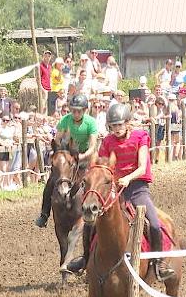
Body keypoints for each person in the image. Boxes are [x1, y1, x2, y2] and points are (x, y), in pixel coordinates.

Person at [68, 104, 175, 280]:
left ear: (127, 123)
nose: (116, 129)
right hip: (114, 189)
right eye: (113, 126)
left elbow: (142, 167)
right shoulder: (108, 142)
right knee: (90, 223)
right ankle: (86, 259)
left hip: (137, 188)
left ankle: (158, 262)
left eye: (119, 125)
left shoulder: (141, 137)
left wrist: (128, 178)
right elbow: (101, 164)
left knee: (154, 224)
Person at [36, 94, 98, 228]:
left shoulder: (91, 123)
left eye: (79, 111)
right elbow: (57, 139)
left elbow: (93, 147)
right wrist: (61, 152)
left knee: (94, 181)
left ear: (85, 110)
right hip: (69, 156)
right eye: (73, 110)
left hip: (85, 156)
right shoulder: (65, 120)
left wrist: (81, 157)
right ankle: (44, 214)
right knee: (51, 182)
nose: (75, 113)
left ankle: (96, 210)